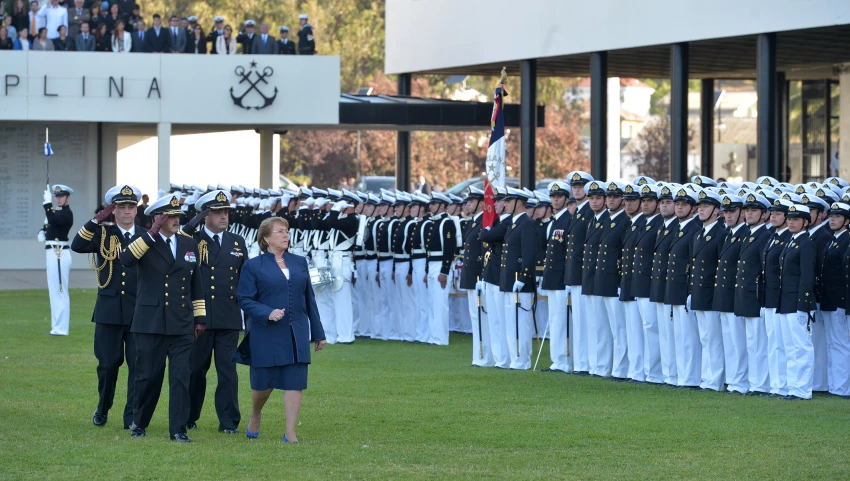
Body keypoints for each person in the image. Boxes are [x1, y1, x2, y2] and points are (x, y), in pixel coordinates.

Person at [120, 194, 206, 442]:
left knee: (180, 376)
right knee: (148, 376)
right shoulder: (144, 241)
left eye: (178, 215)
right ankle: (139, 422)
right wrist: (152, 232)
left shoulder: (189, 244)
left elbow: (195, 283)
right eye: (171, 216)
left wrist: (199, 318)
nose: (176, 220)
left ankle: (178, 429)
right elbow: (126, 260)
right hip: (150, 322)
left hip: (181, 322)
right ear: (158, 218)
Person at [237, 217, 326, 443]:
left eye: (286, 231)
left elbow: (309, 299)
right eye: (279, 232)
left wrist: (318, 332)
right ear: (265, 238)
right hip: (266, 331)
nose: (285, 235)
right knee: (263, 385)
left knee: (295, 381)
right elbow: (244, 299)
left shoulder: (299, 262)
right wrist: (267, 312)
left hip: (296, 330)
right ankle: (255, 414)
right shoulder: (252, 265)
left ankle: (290, 433)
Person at [71, 185, 146, 429]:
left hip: (139, 312)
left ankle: (132, 417)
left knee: (138, 367)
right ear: (113, 211)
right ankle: (103, 408)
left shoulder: (147, 235)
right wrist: (95, 221)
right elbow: (77, 245)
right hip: (109, 311)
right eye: (121, 207)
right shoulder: (104, 235)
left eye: (130, 207)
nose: (126, 211)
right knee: (107, 365)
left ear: (137, 210)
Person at [178, 190, 246, 434]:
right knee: (196, 370)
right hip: (200, 317)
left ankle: (229, 422)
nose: (224, 217)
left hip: (228, 316)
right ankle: (189, 416)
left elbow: (244, 279)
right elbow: (179, 236)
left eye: (226, 212)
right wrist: (194, 222)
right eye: (217, 212)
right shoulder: (192, 239)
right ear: (205, 215)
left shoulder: (237, 241)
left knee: (228, 372)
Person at [777, 204, 817, 400]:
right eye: (789, 218)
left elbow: (807, 277)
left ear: (805, 222)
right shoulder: (791, 241)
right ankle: (792, 387)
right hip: (786, 301)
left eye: (796, 219)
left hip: (797, 302)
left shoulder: (806, 243)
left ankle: (802, 389)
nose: (791, 222)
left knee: (802, 346)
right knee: (789, 346)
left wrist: (803, 305)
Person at [43, 184, 74, 336]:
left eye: (61, 196)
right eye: (56, 196)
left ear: (67, 197)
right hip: (53, 253)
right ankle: (56, 327)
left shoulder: (67, 214)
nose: (58, 199)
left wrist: (47, 205)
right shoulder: (58, 214)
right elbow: (51, 225)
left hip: (59, 253)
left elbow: (55, 220)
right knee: (54, 291)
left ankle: (61, 329)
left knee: (60, 290)